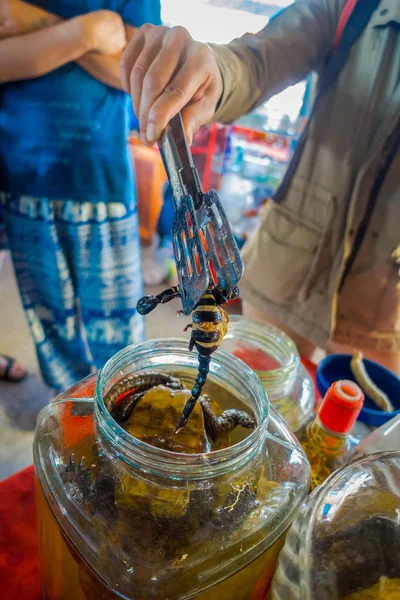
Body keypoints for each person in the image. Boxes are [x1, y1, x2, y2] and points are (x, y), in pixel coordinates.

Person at [120, 0, 400, 375]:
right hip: (287, 265)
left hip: (382, 303)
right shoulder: (357, 7)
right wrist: (214, 72)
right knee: (253, 379)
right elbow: (256, 61)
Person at [0, 0, 161, 391]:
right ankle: (71, 408)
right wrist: (89, 33)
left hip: (100, 178)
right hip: (23, 176)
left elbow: (135, 74)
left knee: (119, 327)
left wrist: (35, 27)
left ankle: (122, 408)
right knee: (50, 322)